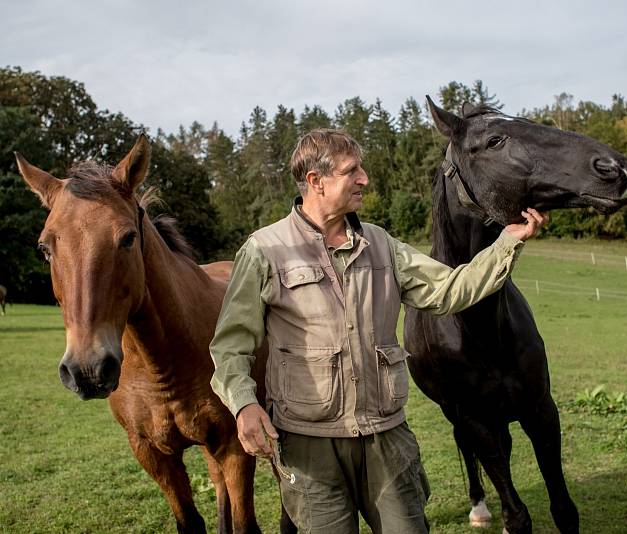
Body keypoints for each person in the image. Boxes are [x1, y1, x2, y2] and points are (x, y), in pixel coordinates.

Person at [209, 129, 549, 534]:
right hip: (309, 447)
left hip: (386, 441)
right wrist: (245, 405)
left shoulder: (382, 245)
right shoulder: (265, 250)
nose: (365, 179)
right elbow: (231, 346)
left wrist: (506, 243)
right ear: (316, 182)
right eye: (352, 171)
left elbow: (449, 289)